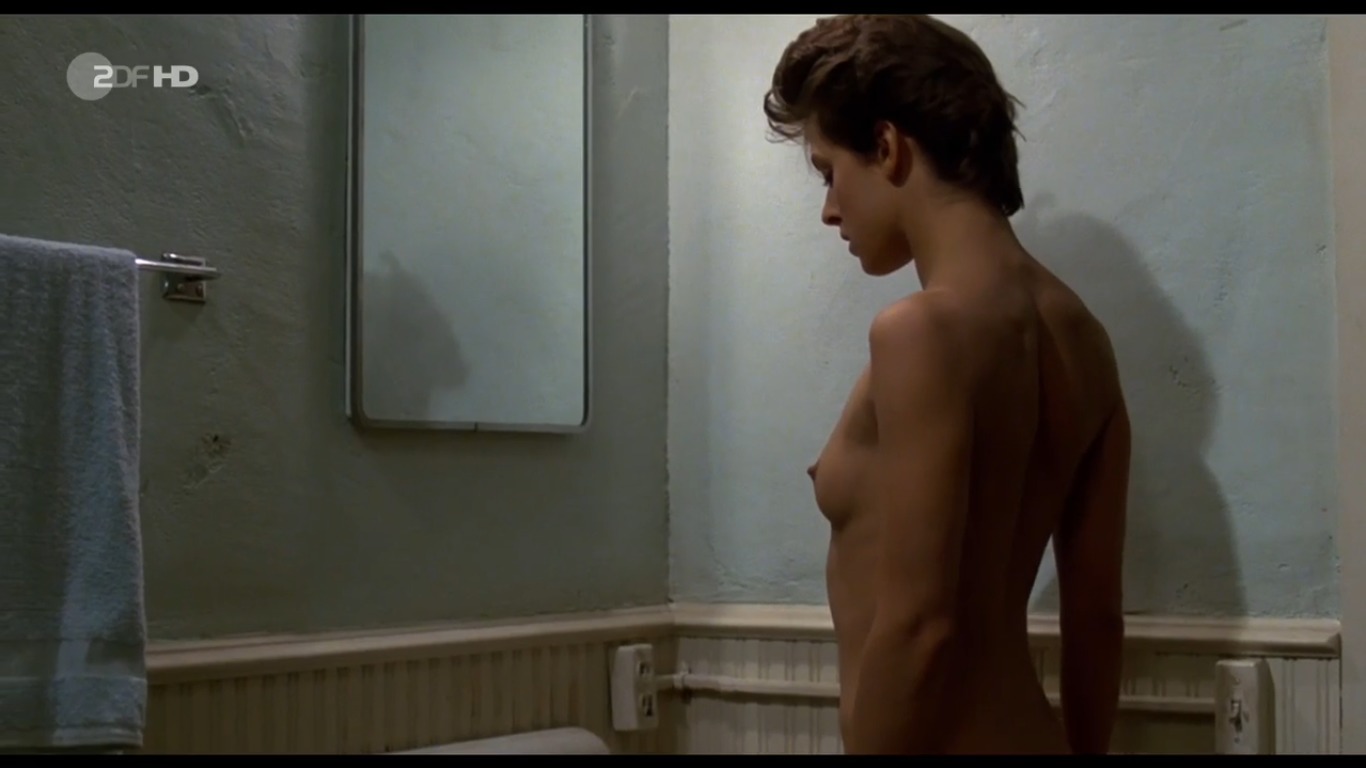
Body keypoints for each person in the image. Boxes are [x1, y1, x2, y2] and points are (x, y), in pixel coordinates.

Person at [766, 15, 1131, 755]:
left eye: (828, 171)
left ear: (887, 146)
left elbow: (920, 626)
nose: (829, 209)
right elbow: (1096, 618)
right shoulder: (1087, 342)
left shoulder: (919, 333)